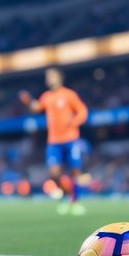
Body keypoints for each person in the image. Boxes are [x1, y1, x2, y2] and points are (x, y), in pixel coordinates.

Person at [20, 68, 89, 216]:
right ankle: (66, 196)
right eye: (47, 77)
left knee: (75, 171)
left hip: (71, 139)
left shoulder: (69, 95)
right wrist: (28, 101)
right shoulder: (47, 96)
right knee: (54, 174)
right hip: (54, 142)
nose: (48, 79)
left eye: (51, 76)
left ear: (59, 78)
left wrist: (74, 121)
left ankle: (75, 202)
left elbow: (82, 111)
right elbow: (36, 108)